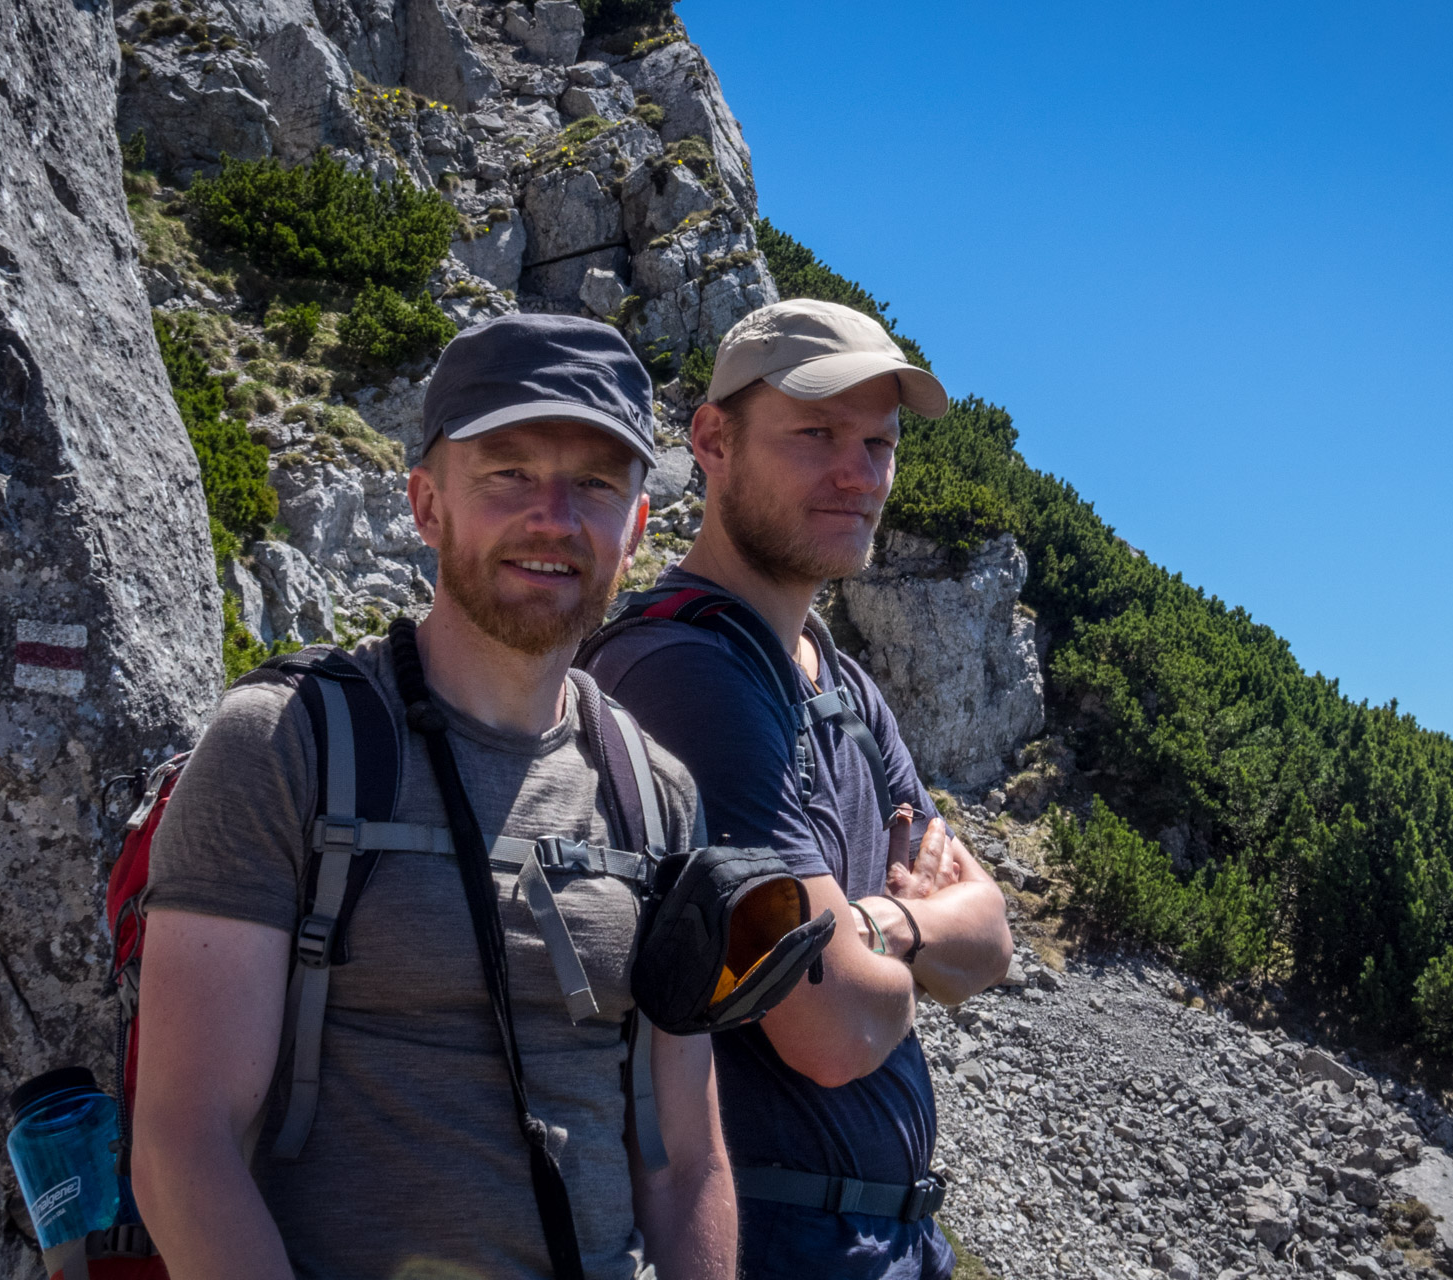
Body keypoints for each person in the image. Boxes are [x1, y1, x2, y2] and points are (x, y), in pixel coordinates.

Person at [132, 314, 736, 1280]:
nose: (554, 515)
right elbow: (183, 1143)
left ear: (635, 528)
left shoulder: (655, 794)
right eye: (506, 472)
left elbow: (685, 1163)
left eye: (594, 482)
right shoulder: (283, 748)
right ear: (427, 504)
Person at [581, 299, 1015, 1279]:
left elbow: (989, 939)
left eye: (878, 441)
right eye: (816, 433)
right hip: (769, 1240)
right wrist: (910, 929)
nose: (859, 473)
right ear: (712, 440)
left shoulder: (843, 680)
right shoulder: (686, 674)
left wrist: (876, 932)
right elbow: (834, 1025)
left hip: (894, 1238)